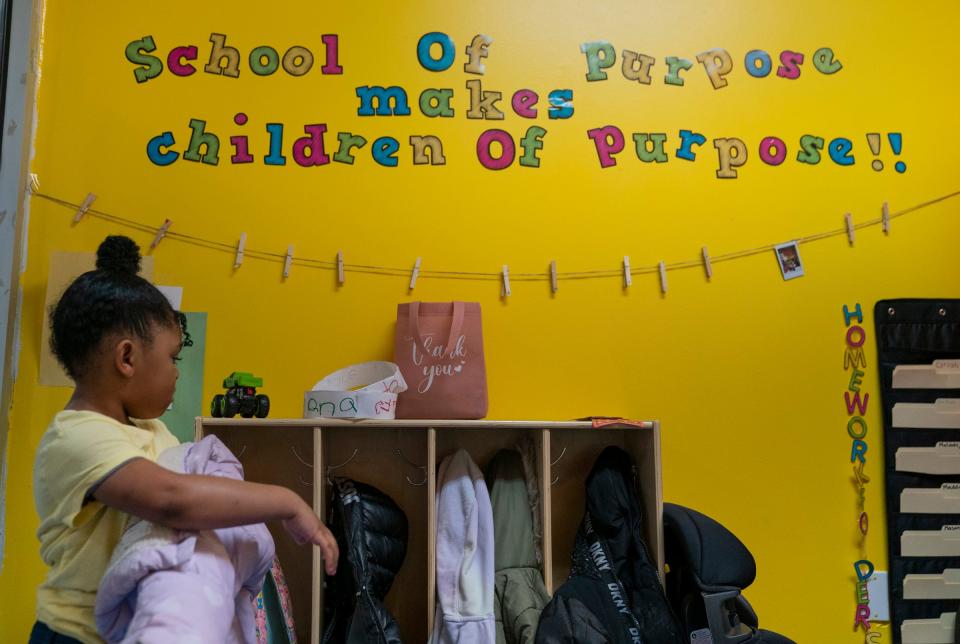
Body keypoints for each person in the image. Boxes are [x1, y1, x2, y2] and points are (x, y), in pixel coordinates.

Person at [30, 235, 338, 643]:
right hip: (78, 636)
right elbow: (174, 501)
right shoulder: (75, 437)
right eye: (173, 357)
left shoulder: (153, 431)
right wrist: (287, 502)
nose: (177, 372)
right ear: (126, 358)